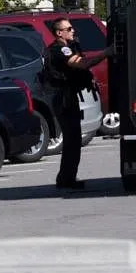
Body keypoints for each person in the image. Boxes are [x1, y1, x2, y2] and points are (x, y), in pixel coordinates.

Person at [42, 19, 111, 191]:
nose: (73, 31)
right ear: (59, 33)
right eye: (69, 28)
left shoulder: (67, 47)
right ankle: (66, 179)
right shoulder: (60, 49)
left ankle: (67, 177)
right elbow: (81, 64)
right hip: (63, 98)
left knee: (74, 139)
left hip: (67, 96)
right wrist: (106, 53)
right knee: (72, 139)